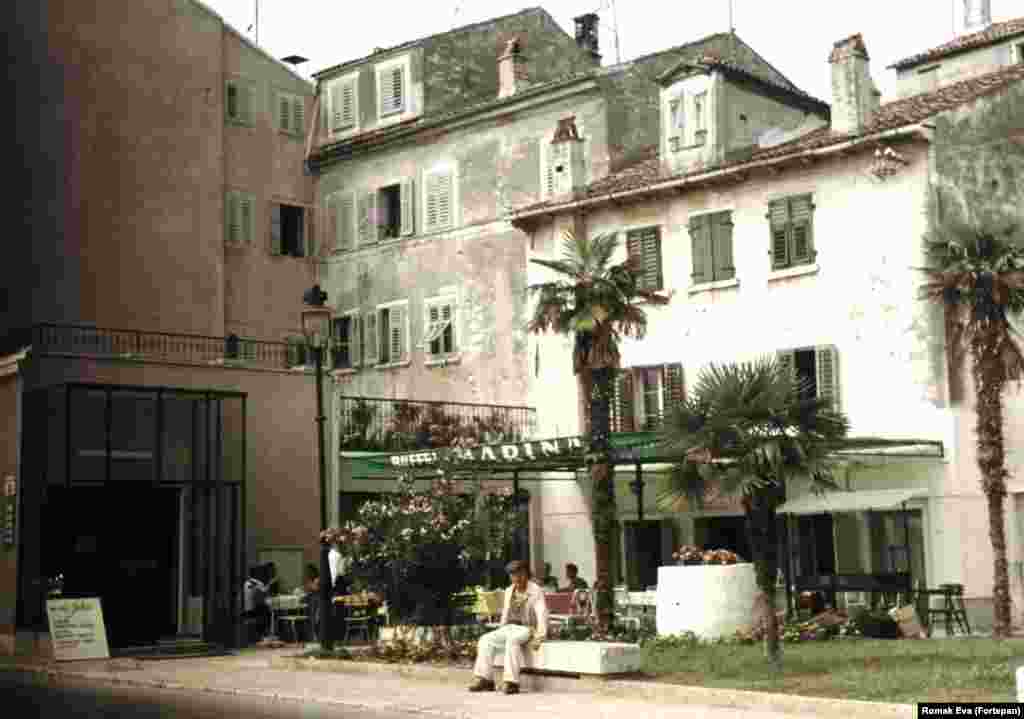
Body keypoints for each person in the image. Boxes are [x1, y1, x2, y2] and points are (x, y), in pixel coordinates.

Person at [468, 560, 548, 696]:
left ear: (526, 574)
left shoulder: (535, 590)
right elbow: (505, 612)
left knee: (512, 640)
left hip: (527, 628)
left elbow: (542, 613)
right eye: (513, 575)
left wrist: (540, 636)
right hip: (509, 627)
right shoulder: (509, 590)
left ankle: (511, 682)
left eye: (519, 574)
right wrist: (500, 630)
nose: (516, 578)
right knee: (485, 640)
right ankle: (485, 679)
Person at [303, 563, 320, 640]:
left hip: (317, 601)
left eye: (309, 572)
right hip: (311, 601)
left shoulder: (317, 579)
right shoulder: (310, 580)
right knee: (311, 619)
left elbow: (315, 588)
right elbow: (308, 589)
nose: (307, 573)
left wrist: (310, 586)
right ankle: (312, 635)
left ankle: (316, 635)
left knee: (316, 619)